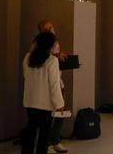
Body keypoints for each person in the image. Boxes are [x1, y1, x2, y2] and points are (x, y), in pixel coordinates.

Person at [22, 31, 64, 154]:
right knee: (44, 134)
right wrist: (59, 103)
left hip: (30, 101)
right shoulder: (52, 60)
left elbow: (26, 76)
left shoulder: (28, 58)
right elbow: (54, 85)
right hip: (45, 104)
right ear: (50, 45)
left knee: (31, 130)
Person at [36, 20, 68, 154]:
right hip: (46, 85)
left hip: (58, 81)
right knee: (48, 117)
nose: (50, 30)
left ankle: (55, 141)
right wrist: (55, 57)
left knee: (60, 114)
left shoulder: (55, 41)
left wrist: (61, 58)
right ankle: (46, 143)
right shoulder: (37, 44)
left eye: (51, 27)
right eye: (46, 29)